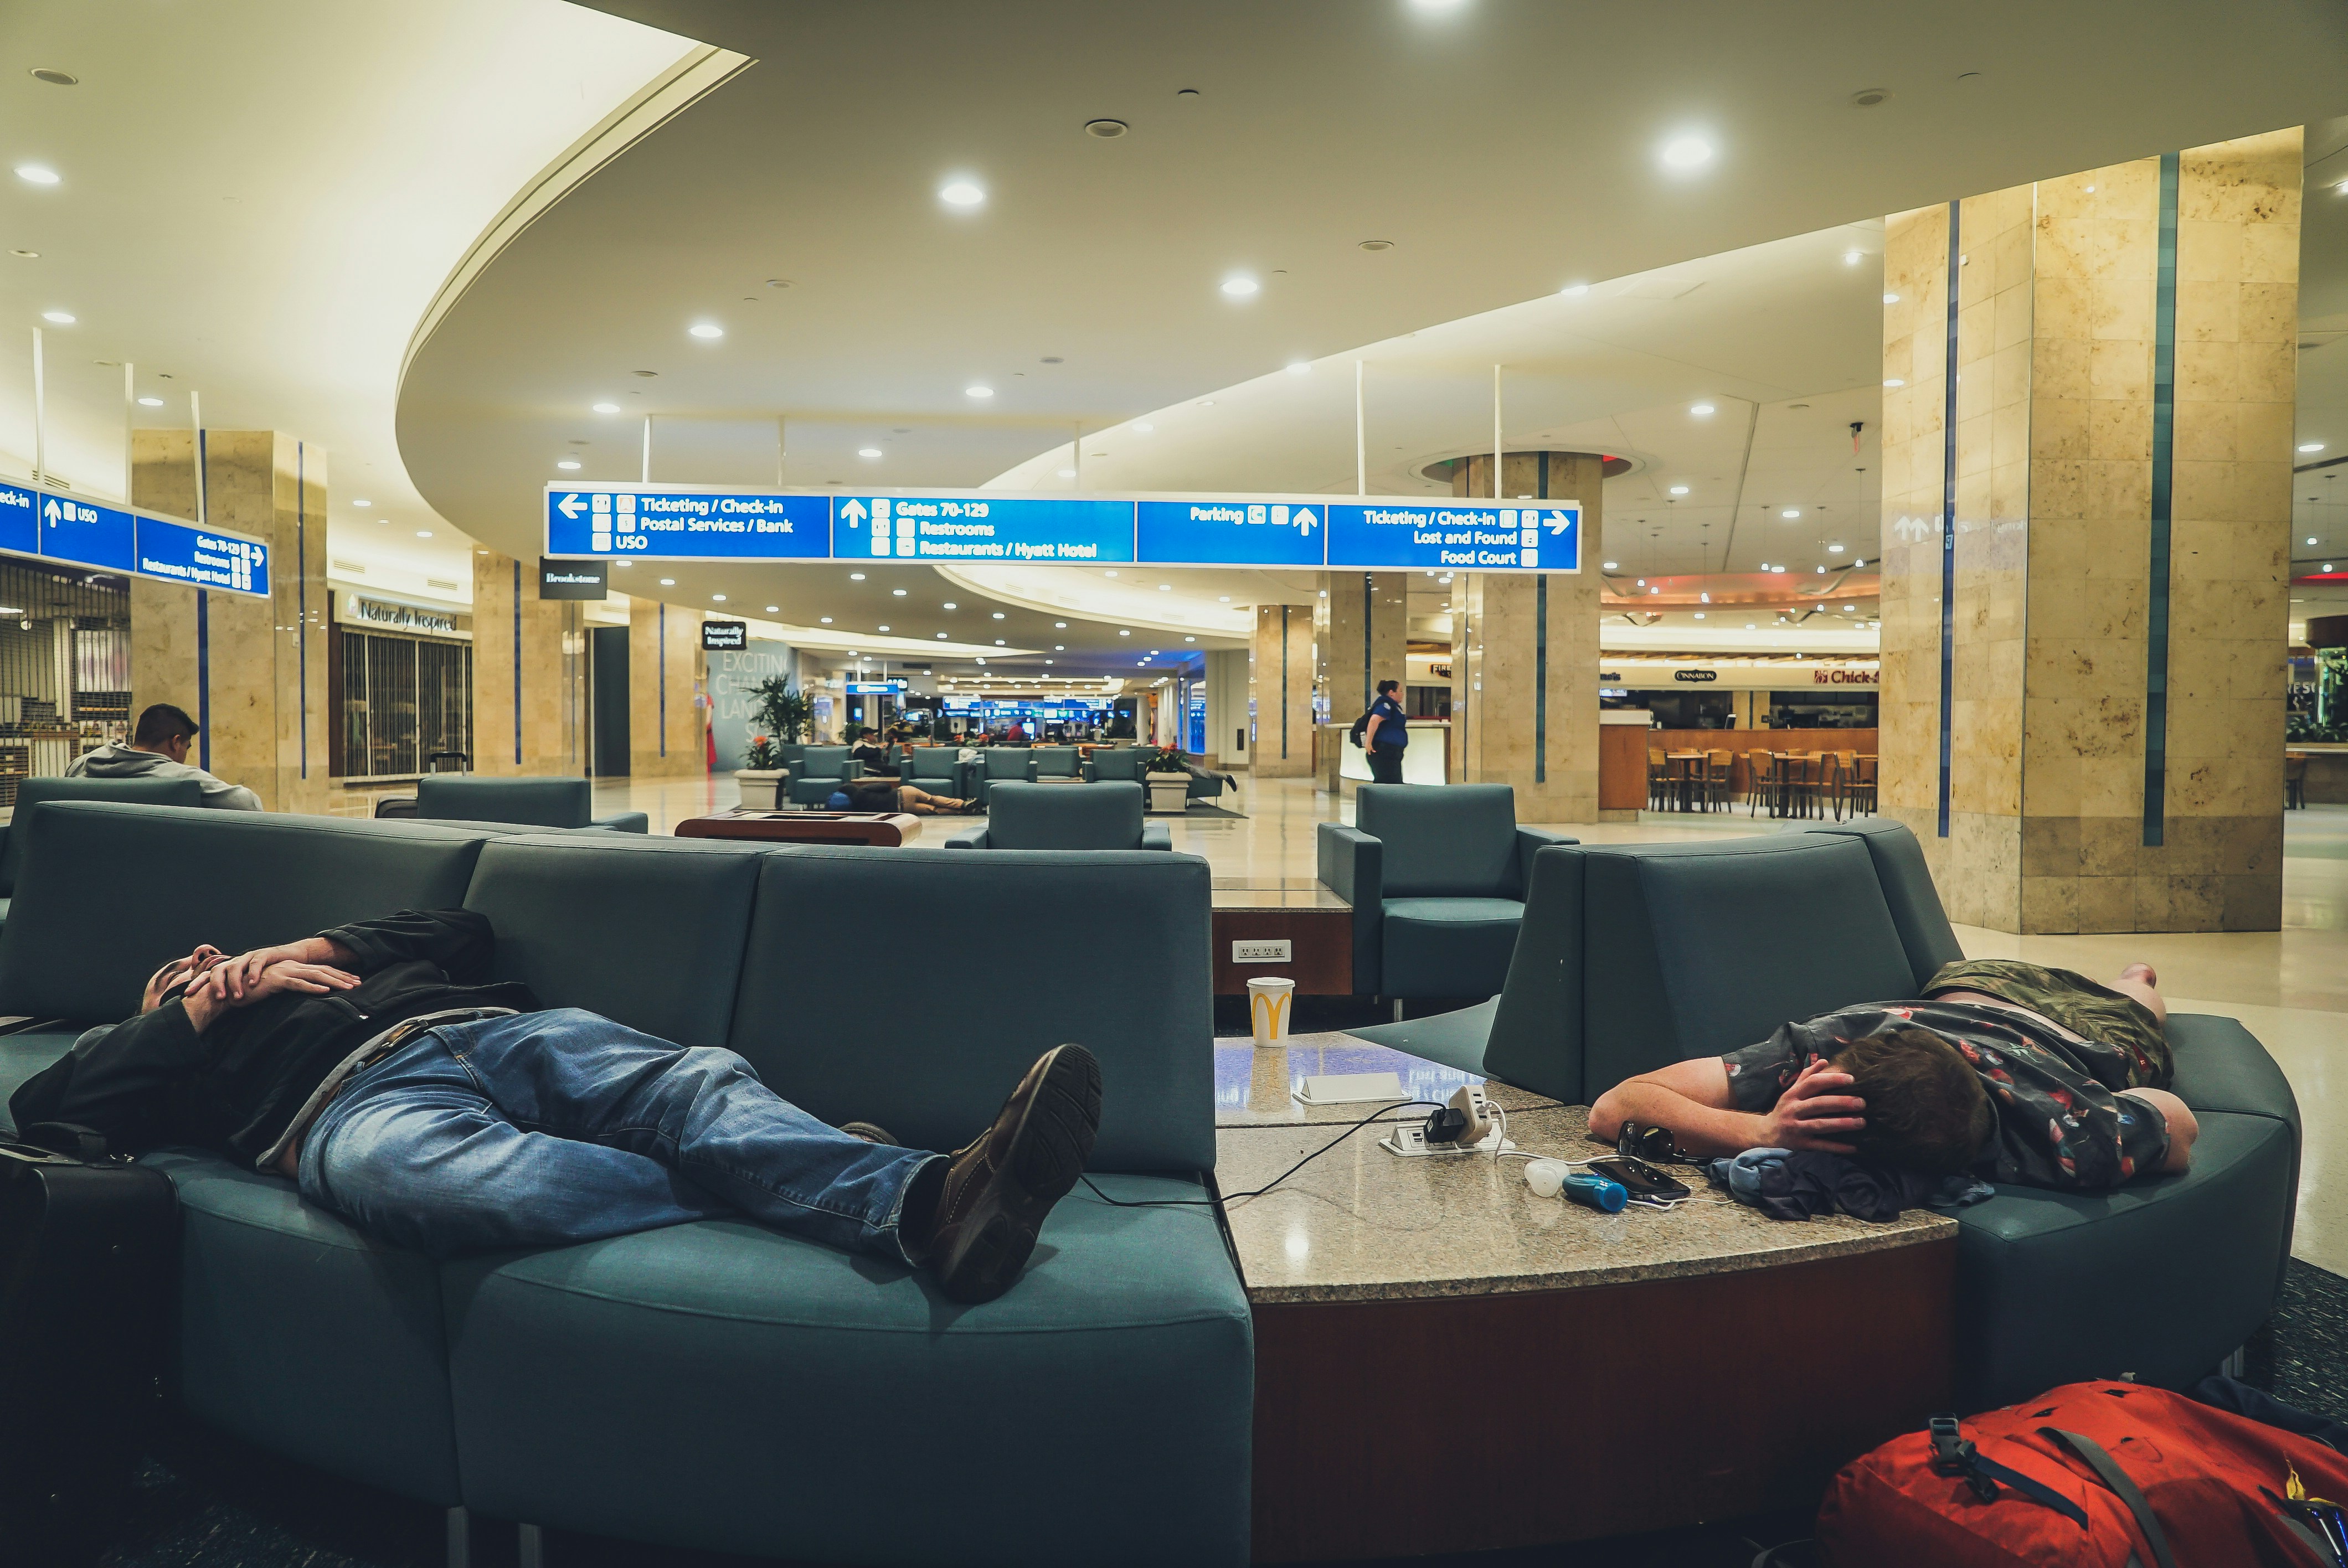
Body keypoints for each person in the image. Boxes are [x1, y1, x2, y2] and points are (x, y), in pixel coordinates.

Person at [7, 910, 1101, 1304]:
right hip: (346, 1112)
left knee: (694, 1083)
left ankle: (934, 1198)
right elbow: (48, 1106)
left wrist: (301, 949)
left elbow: (460, 930)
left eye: (212, 955)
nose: (208, 965)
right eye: (179, 973)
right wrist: (190, 1014)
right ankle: (821, 1178)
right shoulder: (153, 1060)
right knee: (433, 1187)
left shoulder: (316, 960)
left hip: (497, 1034)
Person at [1587, 960, 2197, 1190]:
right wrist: (1761, 1131)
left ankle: (2135, 978)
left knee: (2138, 998)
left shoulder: (2063, 1132)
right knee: (2129, 1001)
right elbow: (1615, 1107)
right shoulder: (1840, 1039)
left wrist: (1764, 1133)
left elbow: (2179, 1123)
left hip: (2067, 1036)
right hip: (1978, 989)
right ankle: (2131, 979)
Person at [66, 703, 261, 809]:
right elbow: (248, 804)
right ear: (175, 742)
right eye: (187, 747)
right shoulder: (183, 779)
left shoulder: (81, 765)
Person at [831, 777, 974, 816]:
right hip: (904, 792)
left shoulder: (857, 809)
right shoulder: (863, 790)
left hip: (904, 807)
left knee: (933, 809)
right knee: (932, 798)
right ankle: (962, 804)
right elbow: (886, 786)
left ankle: (963, 811)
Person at [1361, 678, 1408, 785]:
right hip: (1384, 752)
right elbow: (1374, 720)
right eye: (1400, 691)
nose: (1403, 694)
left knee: (1392, 785)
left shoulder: (1393, 706)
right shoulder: (1385, 705)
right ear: (1392, 693)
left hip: (1391, 753)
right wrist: (1368, 743)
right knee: (1389, 785)